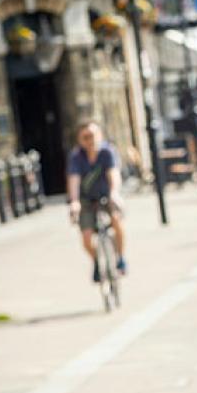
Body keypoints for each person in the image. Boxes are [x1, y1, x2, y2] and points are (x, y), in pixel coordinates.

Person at [66, 120, 126, 282]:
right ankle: (97, 261)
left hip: (106, 196)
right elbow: (74, 179)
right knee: (86, 238)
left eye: (92, 135)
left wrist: (114, 193)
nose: (90, 140)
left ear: (100, 135)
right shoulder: (77, 157)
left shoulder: (107, 152)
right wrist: (74, 201)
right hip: (86, 200)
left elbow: (113, 173)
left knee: (116, 221)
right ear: (80, 140)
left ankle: (120, 258)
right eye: (85, 137)